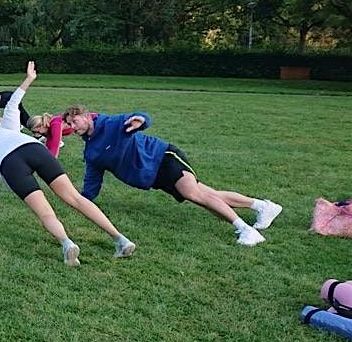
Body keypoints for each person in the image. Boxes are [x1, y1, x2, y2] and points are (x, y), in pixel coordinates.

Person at [0, 63, 135, 267]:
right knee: (75, 198)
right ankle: (120, 239)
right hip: (33, 148)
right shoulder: (5, 128)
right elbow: (13, 103)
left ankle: (67, 244)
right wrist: (29, 79)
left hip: (11, 164)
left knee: (46, 212)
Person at [63, 104, 282, 246]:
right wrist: (81, 200)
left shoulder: (110, 123)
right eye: (70, 125)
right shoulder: (91, 152)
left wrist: (140, 119)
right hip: (154, 177)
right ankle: (262, 206)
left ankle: (246, 230)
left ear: (86, 116)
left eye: (75, 121)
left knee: (195, 195)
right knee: (206, 194)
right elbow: (92, 181)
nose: (73, 127)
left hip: (163, 157)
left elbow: (138, 117)